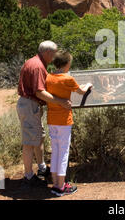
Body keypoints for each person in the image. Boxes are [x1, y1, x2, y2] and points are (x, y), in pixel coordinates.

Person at [17, 41, 72, 187]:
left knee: (38, 137)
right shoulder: (37, 66)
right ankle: (28, 176)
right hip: (30, 105)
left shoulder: (35, 62)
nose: (55, 57)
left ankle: (41, 168)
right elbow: (40, 92)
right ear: (48, 53)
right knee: (29, 142)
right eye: (54, 54)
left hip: (30, 106)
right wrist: (60, 101)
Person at [46, 50, 92, 197]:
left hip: (52, 119)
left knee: (55, 151)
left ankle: (55, 184)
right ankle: (61, 186)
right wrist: (88, 85)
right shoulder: (68, 79)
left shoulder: (48, 77)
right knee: (63, 152)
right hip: (64, 120)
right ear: (66, 64)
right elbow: (81, 92)